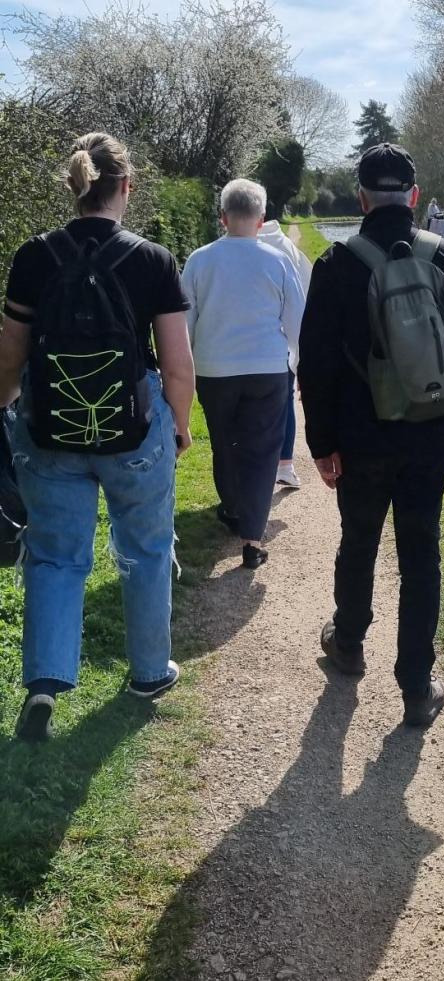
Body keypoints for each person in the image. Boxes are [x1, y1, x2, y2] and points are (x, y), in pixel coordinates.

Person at [0, 132, 195, 741]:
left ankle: (44, 686)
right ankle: (147, 673)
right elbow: (178, 363)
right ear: (126, 187)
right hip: (133, 433)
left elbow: (11, 348)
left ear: (75, 187)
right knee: (145, 549)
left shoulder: (33, 257)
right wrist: (181, 424)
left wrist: (6, 405)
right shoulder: (153, 259)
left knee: (56, 555)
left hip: (49, 432)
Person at [298, 143, 444, 727]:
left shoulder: (335, 266)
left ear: (360, 198)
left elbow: (316, 365)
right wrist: (437, 403)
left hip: (359, 441)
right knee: (420, 552)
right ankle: (415, 686)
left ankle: (349, 644)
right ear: (414, 196)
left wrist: (323, 444)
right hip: (428, 439)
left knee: (358, 540)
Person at [182, 179, 304, 569]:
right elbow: (297, 321)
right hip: (267, 369)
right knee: (263, 449)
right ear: (261, 219)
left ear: (223, 218)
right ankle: (252, 537)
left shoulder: (199, 260)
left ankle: (233, 508)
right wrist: (293, 363)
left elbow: (185, 322)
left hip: (214, 369)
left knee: (225, 442)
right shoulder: (278, 260)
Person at [257, 219, 313, 489]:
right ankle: (285, 465)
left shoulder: (245, 244)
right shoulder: (288, 248)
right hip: (284, 341)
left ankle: (258, 467)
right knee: (286, 401)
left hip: (254, 343)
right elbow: (303, 292)